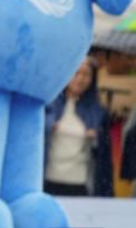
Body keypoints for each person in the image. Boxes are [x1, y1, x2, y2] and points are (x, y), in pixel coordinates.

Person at [44, 59, 113, 197]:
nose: (80, 79)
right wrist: (48, 126)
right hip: (47, 180)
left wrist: (96, 138)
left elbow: (104, 156)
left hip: (79, 182)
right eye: (75, 73)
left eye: (86, 74)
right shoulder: (48, 106)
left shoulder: (98, 112)